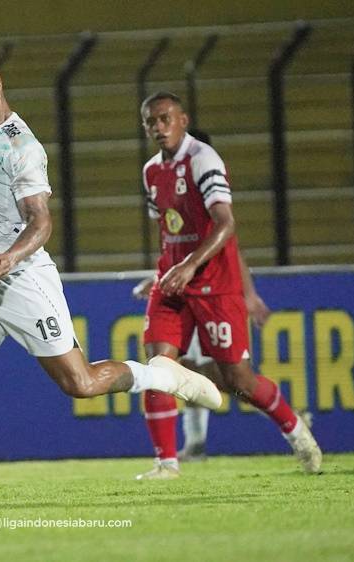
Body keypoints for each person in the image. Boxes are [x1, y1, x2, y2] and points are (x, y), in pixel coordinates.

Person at [0, 52, 222, 508]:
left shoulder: (22, 147)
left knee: (81, 383)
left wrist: (9, 257)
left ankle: (158, 374)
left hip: (22, 280)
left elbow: (40, 223)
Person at [136, 91, 322, 480]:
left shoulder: (203, 159)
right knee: (157, 366)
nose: (158, 127)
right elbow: (168, 232)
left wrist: (190, 266)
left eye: (165, 118)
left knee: (238, 381)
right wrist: (164, 271)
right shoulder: (152, 171)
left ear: (183, 120)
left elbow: (226, 224)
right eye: (151, 121)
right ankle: (167, 463)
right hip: (174, 284)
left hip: (214, 286)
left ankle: (297, 431)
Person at [133, 247, 271, 461]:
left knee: (229, 379)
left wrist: (250, 295)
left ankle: (282, 413)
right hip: (188, 302)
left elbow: (231, 252)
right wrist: (157, 280)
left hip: (214, 303)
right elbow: (178, 261)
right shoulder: (174, 221)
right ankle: (195, 444)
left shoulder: (212, 224)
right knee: (189, 370)